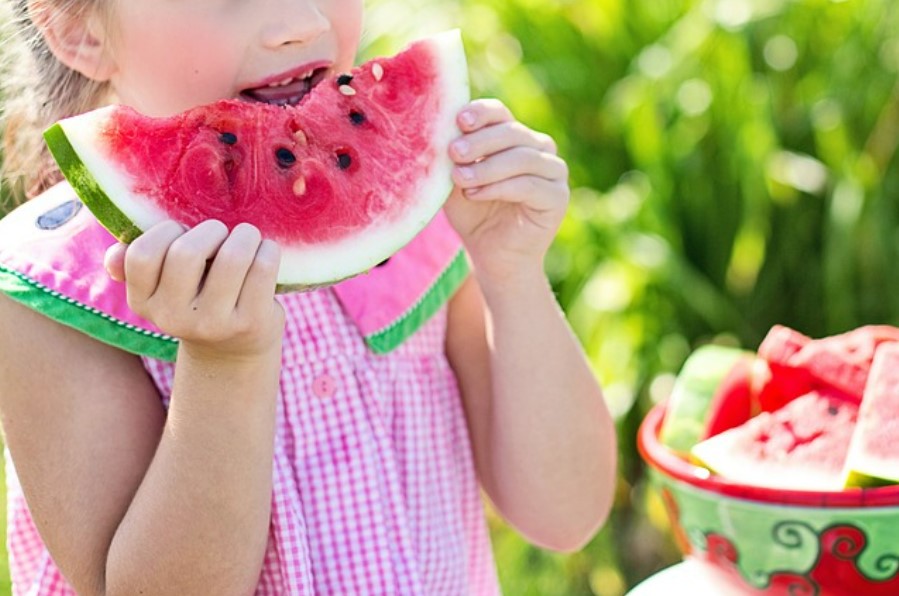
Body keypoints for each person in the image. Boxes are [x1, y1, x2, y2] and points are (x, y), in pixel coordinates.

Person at [0, 0, 617, 594]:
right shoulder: (52, 293)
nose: (301, 23)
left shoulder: (425, 209)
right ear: (79, 30)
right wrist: (224, 366)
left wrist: (512, 274)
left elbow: (565, 514)